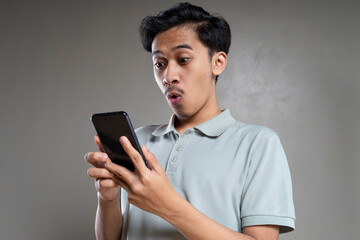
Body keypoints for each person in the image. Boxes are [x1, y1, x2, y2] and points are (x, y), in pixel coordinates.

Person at [84, 2, 295, 240]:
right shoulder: (137, 142)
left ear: (218, 63)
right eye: (159, 64)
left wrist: (167, 205)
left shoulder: (257, 144)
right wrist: (107, 198)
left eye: (183, 59)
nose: (168, 76)